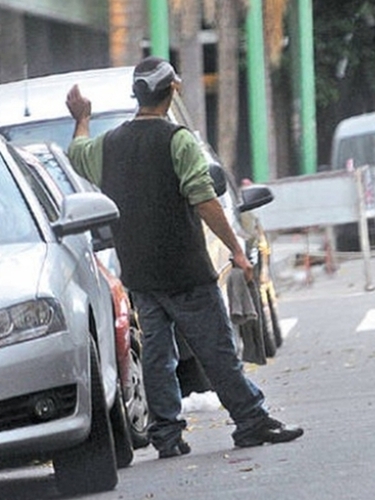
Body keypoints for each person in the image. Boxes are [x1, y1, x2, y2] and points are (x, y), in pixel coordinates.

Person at [64, 56, 304, 459]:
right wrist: (235, 249)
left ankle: (167, 434)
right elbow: (206, 200)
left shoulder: (110, 145)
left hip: (140, 274)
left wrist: (82, 116)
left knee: (158, 357)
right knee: (217, 349)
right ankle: (250, 420)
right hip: (185, 270)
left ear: (137, 95)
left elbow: (77, 153)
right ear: (172, 90)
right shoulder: (179, 140)